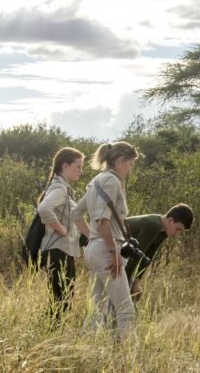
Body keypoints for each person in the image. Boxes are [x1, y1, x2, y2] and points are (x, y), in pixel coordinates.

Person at [71, 141, 139, 338]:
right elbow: (102, 220)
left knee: (97, 310)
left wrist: (93, 239)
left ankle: (84, 352)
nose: (130, 169)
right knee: (125, 309)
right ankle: (131, 360)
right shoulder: (111, 181)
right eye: (130, 164)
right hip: (106, 251)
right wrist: (112, 251)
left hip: (94, 249)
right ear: (120, 161)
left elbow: (76, 214)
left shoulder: (97, 180)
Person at [36, 147, 90, 327]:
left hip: (64, 250)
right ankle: (48, 335)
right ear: (65, 166)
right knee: (61, 300)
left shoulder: (63, 189)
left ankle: (49, 334)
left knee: (62, 298)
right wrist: (61, 230)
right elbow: (44, 209)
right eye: (78, 167)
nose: (80, 171)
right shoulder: (59, 189)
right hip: (58, 250)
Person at [123, 203, 194, 301]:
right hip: (108, 246)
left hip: (122, 254)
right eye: (177, 229)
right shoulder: (153, 225)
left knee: (129, 302)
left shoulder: (164, 231)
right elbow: (135, 257)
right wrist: (124, 285)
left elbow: (148, 255)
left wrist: (137, 281)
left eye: (180, 232)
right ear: (170, 220)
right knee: (124, 303)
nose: (177, 234)